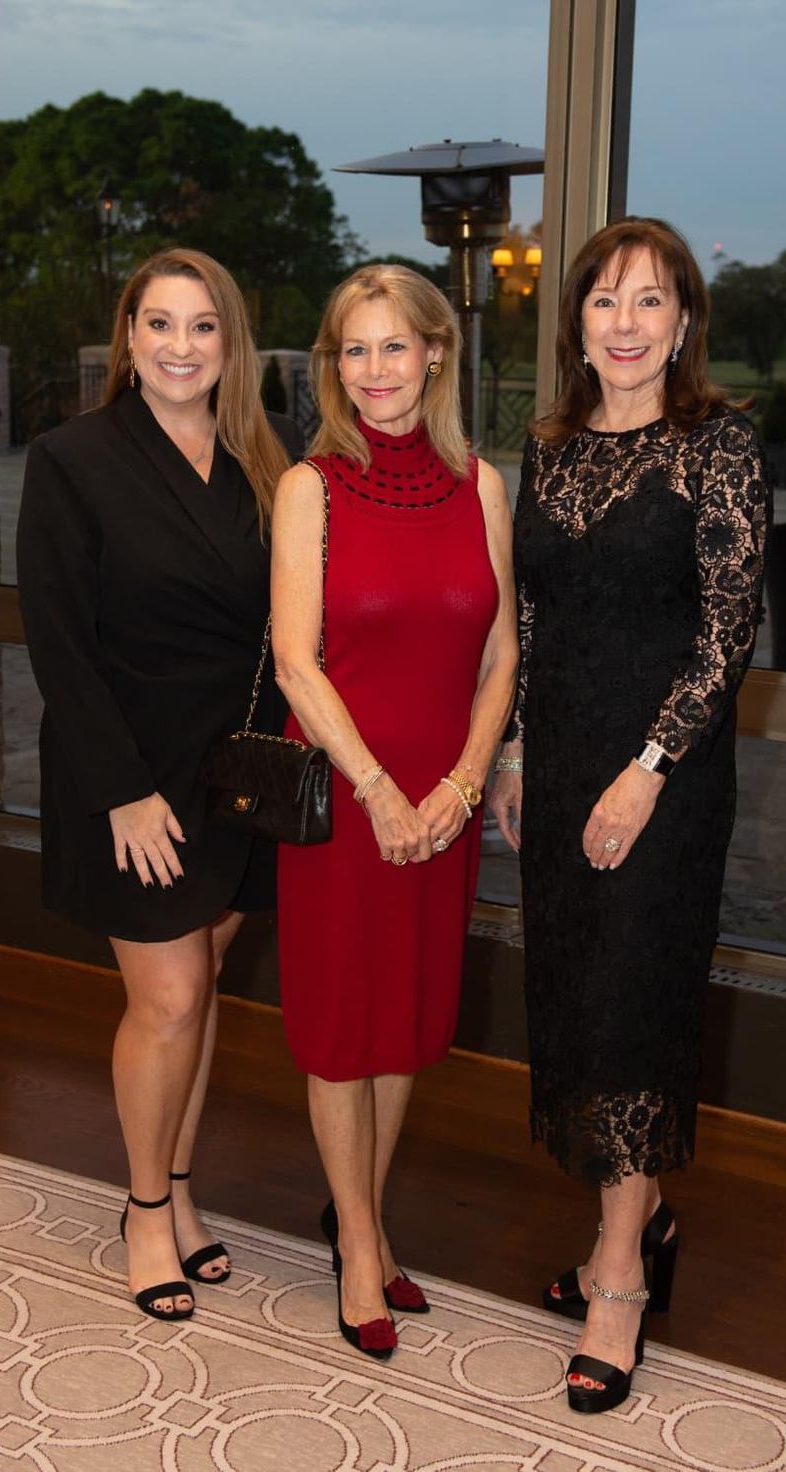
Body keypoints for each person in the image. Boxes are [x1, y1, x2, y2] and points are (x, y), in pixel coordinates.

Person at [489, 218, 769, 1414]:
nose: (623, 323)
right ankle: (634, 1220)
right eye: (603, 301)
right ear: (576, 323)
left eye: (648, 301)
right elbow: (533, 618)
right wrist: (508, 750)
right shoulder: (546, 449)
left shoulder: (718, 444)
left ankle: (616, 1280)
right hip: (553, 768)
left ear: (683, 321)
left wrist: (647, 765)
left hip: (664, 775)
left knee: (631, 1004)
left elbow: (726, 631)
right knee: (570, 991)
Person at [17, 247, 302, 1322]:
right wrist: (122, 790)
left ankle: (180, 1190)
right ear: (126, 337)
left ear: (231, 345)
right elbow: (57, 639)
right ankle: (142, 1208)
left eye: (203, 327)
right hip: (128, 770)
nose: (181, 346)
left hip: (232, 770)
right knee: (168, 993)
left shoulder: (263, 464)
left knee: (205, 980)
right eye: (159, 323)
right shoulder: (72, 457)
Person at [271, 264, 518, 1359]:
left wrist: (461, 785)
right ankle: (361, 1240)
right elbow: (293, 659)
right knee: (339, 1026)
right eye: (351, 350)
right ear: (336, 366)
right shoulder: (309, 487)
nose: (373, 371)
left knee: (408, 1022)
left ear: (433, 352)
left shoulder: (483, 488)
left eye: (391, 346)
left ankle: (355, 1217)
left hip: (442, 794)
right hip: (344, 787)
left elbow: (503, 651)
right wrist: (377, 788)